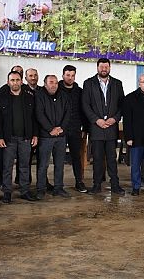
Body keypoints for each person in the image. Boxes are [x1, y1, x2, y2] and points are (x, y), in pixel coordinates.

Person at [82, 58, 125, 196]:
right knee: (97, 158)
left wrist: (115, 118)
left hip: (111, 127)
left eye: (106, 67)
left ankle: (115, 185)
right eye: (101, 67)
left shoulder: (117, 84)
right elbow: (85, 105)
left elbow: (122, 105)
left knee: (112, 158)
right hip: (96, 128)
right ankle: (96, 185)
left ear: (110, 68)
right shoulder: (88, 83)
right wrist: (96, 120)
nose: (104, 69)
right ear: (97, 68)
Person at [0, 71, 39, 203]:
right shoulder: (2, 98)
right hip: (8, 139)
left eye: (17, 80)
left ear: (22, 81)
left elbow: (34, 118)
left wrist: (35, 135)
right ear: (8, 82)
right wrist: (0, 137)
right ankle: (7, 192)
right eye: (12, 80)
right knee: (7, 167)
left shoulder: (29, 97)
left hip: (25, 138)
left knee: (25, 166)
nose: (15, 82)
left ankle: (25, 191)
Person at [35, 75, 71, 199]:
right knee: (43, 165)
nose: (54, 85)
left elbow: (68, 113)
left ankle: (58, 188)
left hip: (61, 136)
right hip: (46, 136)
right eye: (51, 82)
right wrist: (50, 129)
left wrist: (61, 128)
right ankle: (40, 189)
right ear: (45, 84)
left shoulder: (64, 96)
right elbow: (39, 114)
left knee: (59, 164)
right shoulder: (39, 96)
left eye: (55, 82)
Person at [59, 65, 88, 193]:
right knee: (59, 158)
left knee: (76, 156)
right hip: (60, 129)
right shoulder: (57, 90)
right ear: (63, 75)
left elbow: (84, 110)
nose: (70, 78)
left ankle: (79, 182)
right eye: (68, 75)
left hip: (75, 129)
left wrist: (85, 128)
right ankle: (58, 184)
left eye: (72, 75)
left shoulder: (80, 92)